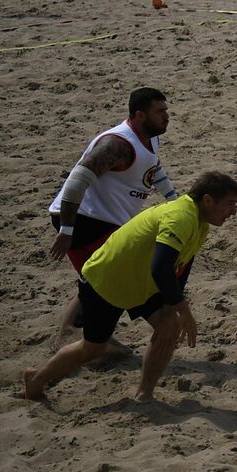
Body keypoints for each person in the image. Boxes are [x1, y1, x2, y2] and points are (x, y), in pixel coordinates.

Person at [22, 171, 237, 403]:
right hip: (106, 280)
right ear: (208, 200)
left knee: (169, 324)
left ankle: (144, 394)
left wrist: (174, 306)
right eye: (230, 204)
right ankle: (36, 378)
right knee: (92, 349)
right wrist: (184, 308)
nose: (233, 211)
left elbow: (181, 265)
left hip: (140, 281)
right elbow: (161, 267)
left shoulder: (200, 223)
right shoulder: (181, 217)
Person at [46, 87, 180, 340]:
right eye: (160, 111)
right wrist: (66, 230)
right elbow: (75, 182)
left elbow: (153, 168)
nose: (166, 116)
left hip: (107, 221)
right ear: (140, 115)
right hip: (84, 222)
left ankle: (71, 334)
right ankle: (87, 341)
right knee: (118, 276)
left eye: (167, 110)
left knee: (97, 279)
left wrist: (174, 199)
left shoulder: (150, 137)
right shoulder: (117, 145)